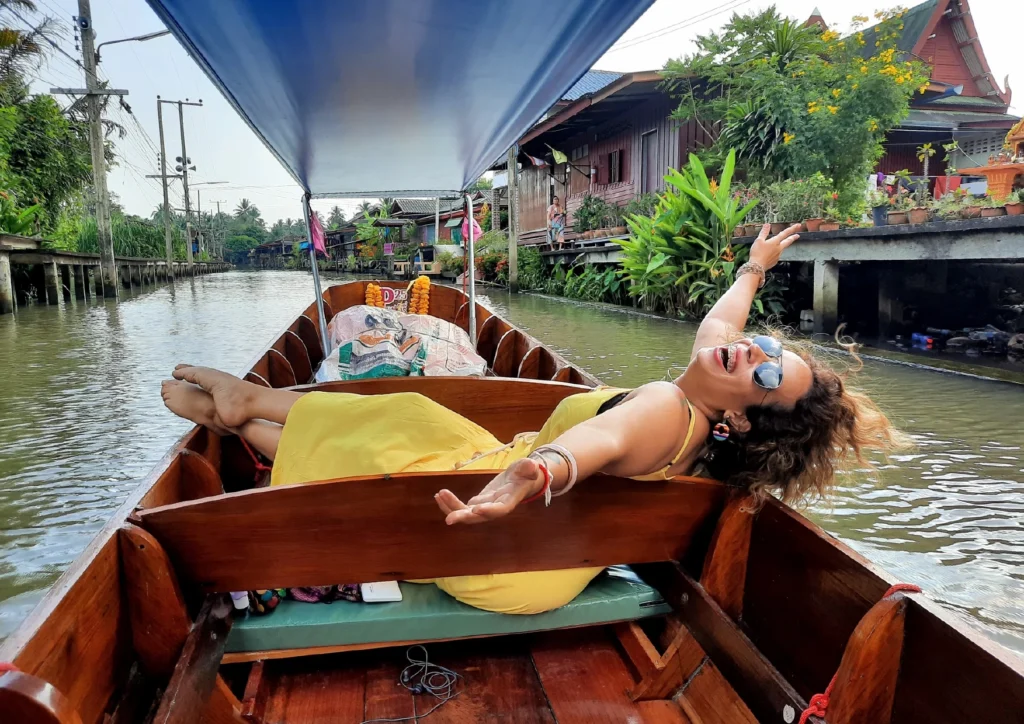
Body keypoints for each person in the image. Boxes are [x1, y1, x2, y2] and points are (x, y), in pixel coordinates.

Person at [162, 224, 906, 615]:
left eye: (768, 373)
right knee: (417, 418)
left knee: (395, 432)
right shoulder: (705, 399)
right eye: (767, 348)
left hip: (506, 552)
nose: (753, 352)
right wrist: (753, 268)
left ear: (745, 423)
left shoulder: (662, 409)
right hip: (536, 549)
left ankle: (242, 409)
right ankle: (239, 411)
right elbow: (720, 322)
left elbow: (597, 441)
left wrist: (536, 472)